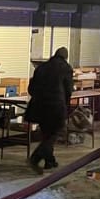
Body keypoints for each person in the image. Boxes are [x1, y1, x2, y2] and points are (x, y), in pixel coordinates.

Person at [27, 46, 73, 174]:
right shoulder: (66, 68)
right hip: (56, 107)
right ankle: (35, 158)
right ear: (65, 57)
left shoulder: (42, 67)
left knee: (46, 133)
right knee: (54, 134)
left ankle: (49, 161)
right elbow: (68, 91)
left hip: (39, 107)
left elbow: (31, 88)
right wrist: (66, 106)